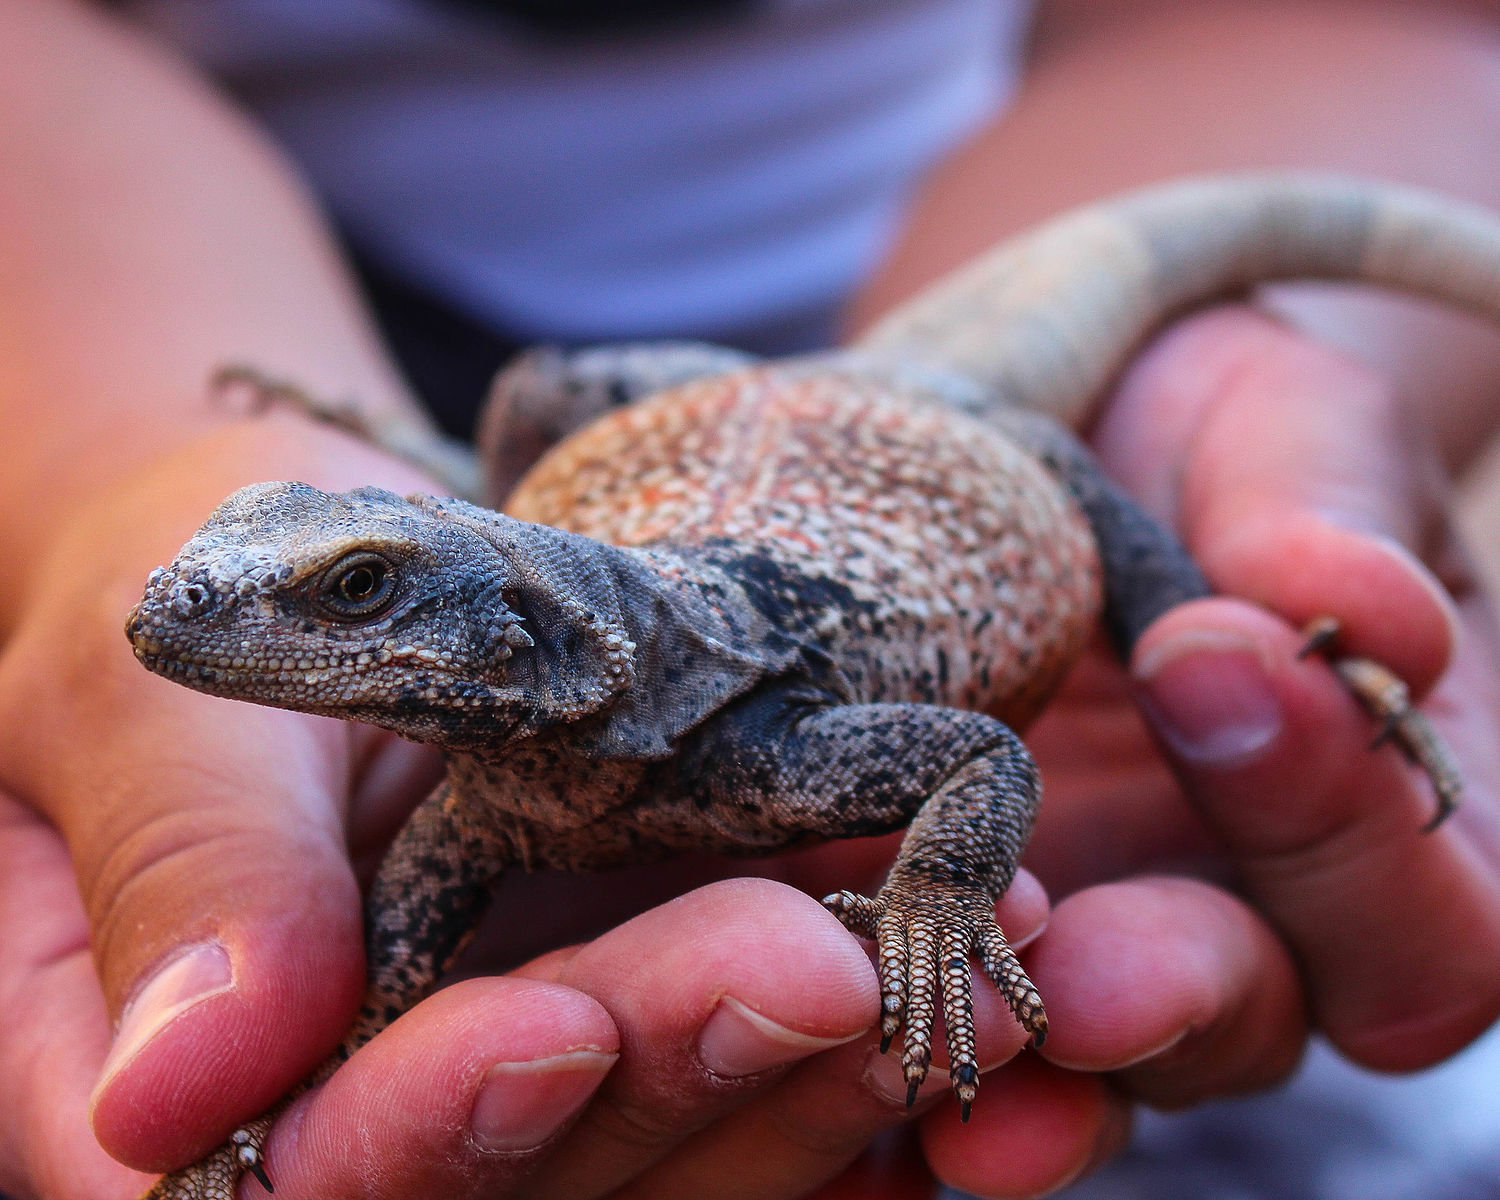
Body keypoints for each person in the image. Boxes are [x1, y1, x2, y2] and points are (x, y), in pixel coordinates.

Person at [2, 2, 1499, 1197]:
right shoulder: (485, 799)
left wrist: (934, 901)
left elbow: (978, 755)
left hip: (933, 427)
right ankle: (441, 468)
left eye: (357, 593)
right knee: (540, 399)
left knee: (1199, 666)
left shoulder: (769, 750)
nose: (208, 615)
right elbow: (388, 962)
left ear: (514, 632)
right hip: (406, 350)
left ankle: (1233, 628)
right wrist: (109, 466)